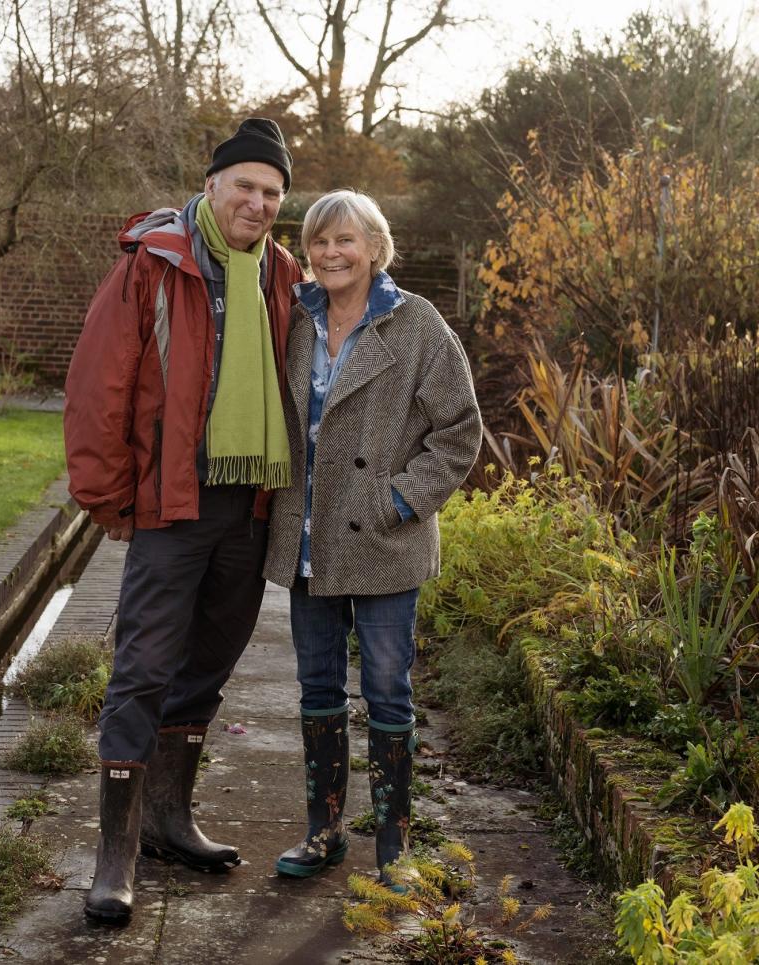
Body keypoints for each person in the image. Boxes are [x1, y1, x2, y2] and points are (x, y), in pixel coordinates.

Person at [63, 118, 302, 925]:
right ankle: (115, 853)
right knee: (143, 667)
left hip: (249, 505)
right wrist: (107, 494)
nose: (259, 203)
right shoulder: (153, 266)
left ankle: (169, 819)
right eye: (246, 186)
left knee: (210, 661)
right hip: (173, 502)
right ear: (212, 187)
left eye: (273, 193)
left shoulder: (283, 274)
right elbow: (100, 383)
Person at [263, 190, 482, 888]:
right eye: (319, 240)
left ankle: (395, 845)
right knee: (317, 687)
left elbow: (460, 431)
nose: (331, 253)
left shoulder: (417, 325)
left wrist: (397, 500)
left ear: (375, 248)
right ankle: (323, 831)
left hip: (385, 543)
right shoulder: (295, 319)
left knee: (388, 691)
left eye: (345, 240)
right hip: (310, 540)